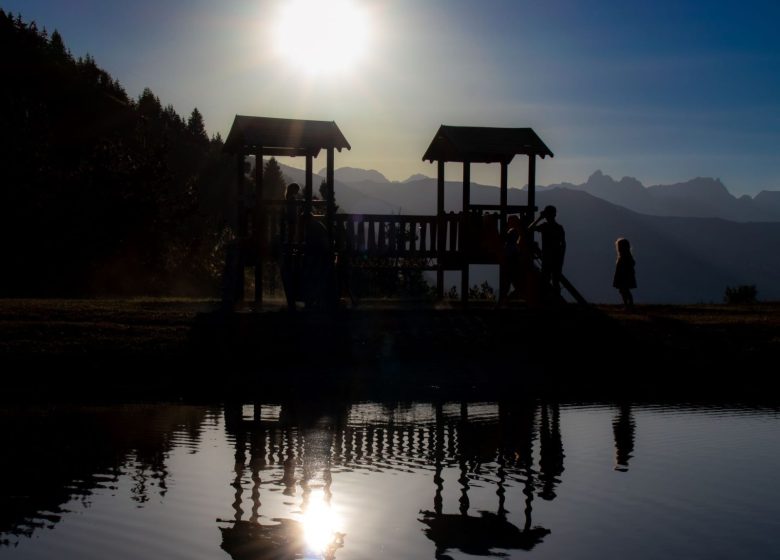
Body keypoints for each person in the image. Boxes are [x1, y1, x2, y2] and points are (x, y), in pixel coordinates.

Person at [529, 205, 566, 296]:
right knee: (555, 282)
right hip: (557, 259)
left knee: (545, 281)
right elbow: (563, 245)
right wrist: (561, 259)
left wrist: (539, 218)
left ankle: (546, 301)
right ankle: (556, 302)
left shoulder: (544, 226)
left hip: (547, 258)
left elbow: (530, 228)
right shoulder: (559, 228)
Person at [613, 237, 636, 309]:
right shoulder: (625, 257)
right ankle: (627, 304)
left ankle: (629, 304)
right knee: (623, 291)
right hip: (623, 277)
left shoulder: (625, 257)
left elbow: (626, 268)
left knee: (625, 291)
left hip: (624, 277)